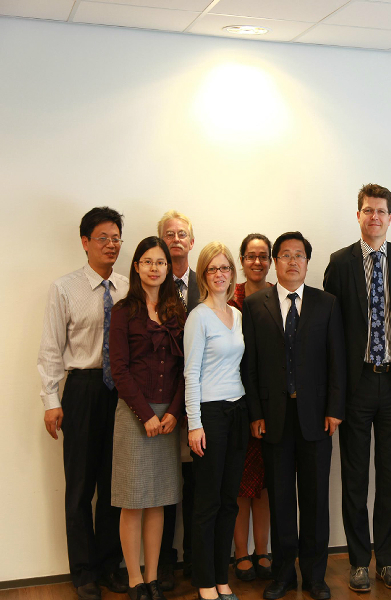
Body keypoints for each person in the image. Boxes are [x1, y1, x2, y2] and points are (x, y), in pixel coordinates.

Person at [323, 184, 391, 592]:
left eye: (381, 211)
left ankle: (388, 560)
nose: (374, 217)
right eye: (367, 210)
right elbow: (330, 330)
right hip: (357, 385)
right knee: (355, 478)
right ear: (358, 215)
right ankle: (359, 562)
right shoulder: (339, 262)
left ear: (390, 217)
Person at [242, 232, 346, 600]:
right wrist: (255, 412)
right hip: (273, 418)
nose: (292, 261)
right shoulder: (254, 305)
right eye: (285, 255)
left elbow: (337, 361)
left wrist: (335, 410)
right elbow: (250, 365)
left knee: (316, 501)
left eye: (298, 255)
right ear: (275, 261)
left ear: (307, 262)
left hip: (316, 417)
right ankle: (283, 574)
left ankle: (315, 577)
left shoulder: (326, 303)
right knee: (281, 500)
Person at [37, 207, 129, 600]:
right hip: (82, 390)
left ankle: (109, 565)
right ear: (85, 242)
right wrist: (50, 399)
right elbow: (51, 348)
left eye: (116, 238)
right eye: (103, 238)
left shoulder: (128, 287)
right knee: (79, 487)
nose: (111, 245)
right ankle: (83, 572)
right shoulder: (65, 288)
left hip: (120, 393)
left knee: (114, 485)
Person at [109, 237, 186, 600]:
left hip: (168, 416)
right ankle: (134, 580)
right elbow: (119, 370)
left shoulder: (177, 311)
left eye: (161, 262)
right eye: (148, 261)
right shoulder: (124, 311)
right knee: (133, 500)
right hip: (133, 414)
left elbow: (187, 368)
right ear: (137, 266)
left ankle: (153, 578)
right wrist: (145, 415)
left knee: (158, 499)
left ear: (169, 269)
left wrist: (173, 412)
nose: (155, 268)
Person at [184, 242, 249, 600]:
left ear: (232, 273)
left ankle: (222, 578)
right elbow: (190, 373)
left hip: (237, 411)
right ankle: (205, 582)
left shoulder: (236, 315)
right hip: (209, 416)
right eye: (213, 269)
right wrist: (194, 423)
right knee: (207, 503)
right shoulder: (199, 316)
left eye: (225, 268)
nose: (220, 274)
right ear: (204, 275)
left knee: (228, 502)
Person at [228, 234, 274, 582]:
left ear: (270, 260)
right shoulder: (231, 298)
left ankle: (263, 550)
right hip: (238, 401)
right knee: (240, 483)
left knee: (266, 484)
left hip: (273, 403)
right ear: (241, 260)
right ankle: (240, 553)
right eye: (250, 256)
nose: (257, 262)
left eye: (263, 256)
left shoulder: (279, 295)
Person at [157, 209, 199, 587]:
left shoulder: (208, 282)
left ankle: (195, 558)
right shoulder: (153, 286)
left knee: (198, 483)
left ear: (192, 241)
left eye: (181, 233)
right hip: (165, 399)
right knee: (167, 483)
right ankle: (165, 562)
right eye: (168, 234)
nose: (175, 239)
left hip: (202, 399)